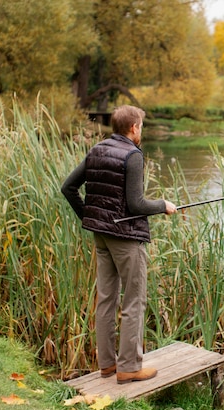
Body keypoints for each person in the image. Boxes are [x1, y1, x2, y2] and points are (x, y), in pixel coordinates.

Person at [61, 105, 177, 384]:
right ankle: (128, 367)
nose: (141, 131)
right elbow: (136, 204)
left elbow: (68, 188)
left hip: (101, 236)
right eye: (142, 126)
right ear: (134, 127)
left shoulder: (97, 149)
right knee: (134, 300)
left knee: (106, 298)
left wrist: (90, 217)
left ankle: (107, 366)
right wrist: (163, 205)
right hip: (126, 239)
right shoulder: (133, 155)